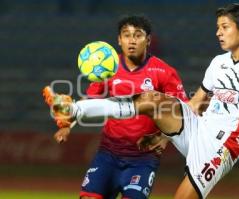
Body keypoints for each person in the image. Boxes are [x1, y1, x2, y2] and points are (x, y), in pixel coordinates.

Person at [44, 4, 239, 199]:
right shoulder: (218, 62)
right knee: (151, 99)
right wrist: (164, 134)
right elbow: (195, 104)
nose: (218, 33)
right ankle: (72, 109)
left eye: (224, 27)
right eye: (217, 28)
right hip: (197, 128)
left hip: (221, 147)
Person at [48, 15, 188, 199]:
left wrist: (163, 137)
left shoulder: (164, 72)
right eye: (126, 35)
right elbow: (91, 102)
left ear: (148, 40)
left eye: (137, 35)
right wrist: (67, 125)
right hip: (108, 154)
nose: (132, 40)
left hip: (143, 159)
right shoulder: (107, 69)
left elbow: (183, 112)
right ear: (119, 40)